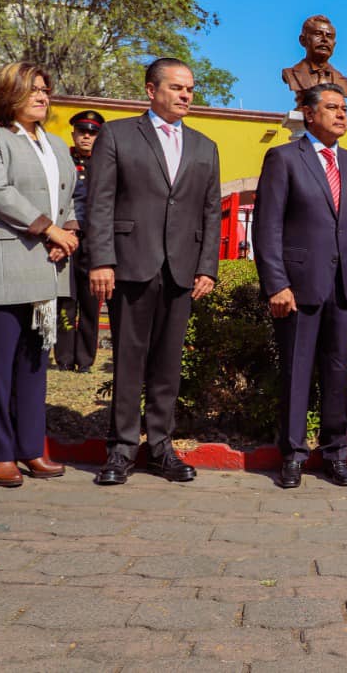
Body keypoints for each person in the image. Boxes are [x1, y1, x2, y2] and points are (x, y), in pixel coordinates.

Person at [86, 58, 221, 486]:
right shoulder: (118, 134)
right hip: (130, 263)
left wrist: (207, 268)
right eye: (177, 87)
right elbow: (100, 202)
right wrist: (101, 258)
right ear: (151, 89)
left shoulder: (205, 146)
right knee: (128, 359)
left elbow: (211, 212)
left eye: (190, 89)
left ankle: (161, 446)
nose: (185, 95)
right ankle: (122, 448)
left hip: (183, 269)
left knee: (168, 363)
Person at [253, 82, 347, 488]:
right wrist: (276, 284)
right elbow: (267, 227)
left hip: (346, 290)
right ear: (309, 114)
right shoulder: (284, 158)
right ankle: (292, 455)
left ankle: (336, 452)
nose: (342, 114)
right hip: (298, 288)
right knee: (296, 372)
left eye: (344, 107)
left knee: (339, 372)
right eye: (332, 107)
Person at [0, 63, 78, 487]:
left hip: (48, 265)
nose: (43, 97)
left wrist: (69, 231)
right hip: (2, 266)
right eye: (33, 90)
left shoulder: (57, 146)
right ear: (8, 93)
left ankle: (31, 447)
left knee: (34, 365)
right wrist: (47, 227)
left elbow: (70, 196)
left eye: (46, 90)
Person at [55, 109, 104, 372]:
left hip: (94, 242)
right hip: (64, 239)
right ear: (73, 133)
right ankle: (63, 357)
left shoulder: (105, 165)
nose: (86, 137)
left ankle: (85, 359)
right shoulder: (62, 162)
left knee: (89, 301)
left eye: (93, 133)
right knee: (65, 300)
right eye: (82, 132)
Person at [281, 15, 347, 102]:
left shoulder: (341, 80)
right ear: (303, 40)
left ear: (334, 44)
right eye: (318, 34)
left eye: (329, 36)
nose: (324, 39)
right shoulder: (291, 74)